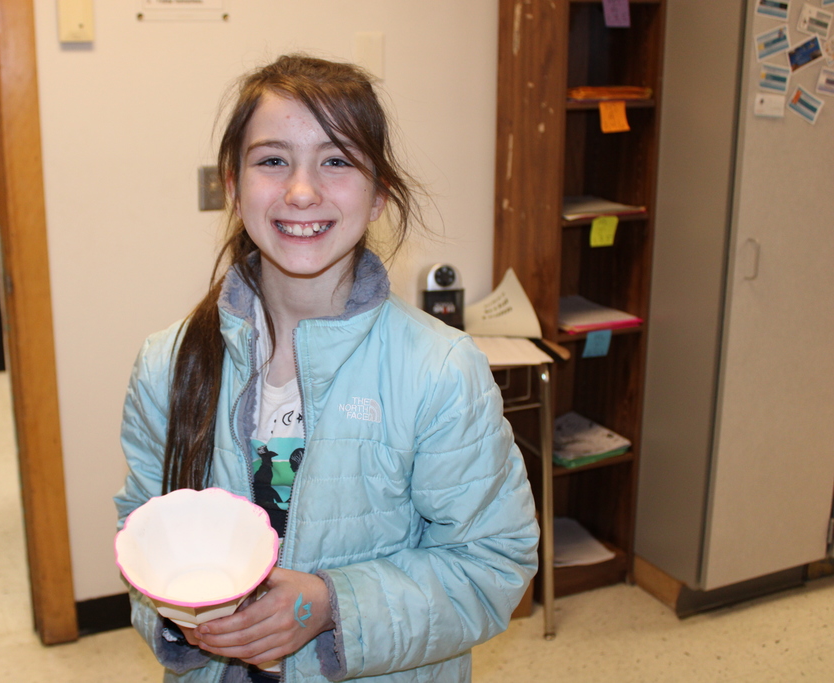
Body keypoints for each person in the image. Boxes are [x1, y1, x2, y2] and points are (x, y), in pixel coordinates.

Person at [115, 54, 539, 683]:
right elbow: (140, 533)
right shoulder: (168, 364)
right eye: (272, 160)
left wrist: (326, 605)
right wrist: (178, 616)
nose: (302, 190)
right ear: (232, 185)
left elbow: (492, 563)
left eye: (337, 161)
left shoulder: (441, 371)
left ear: (378, 197)